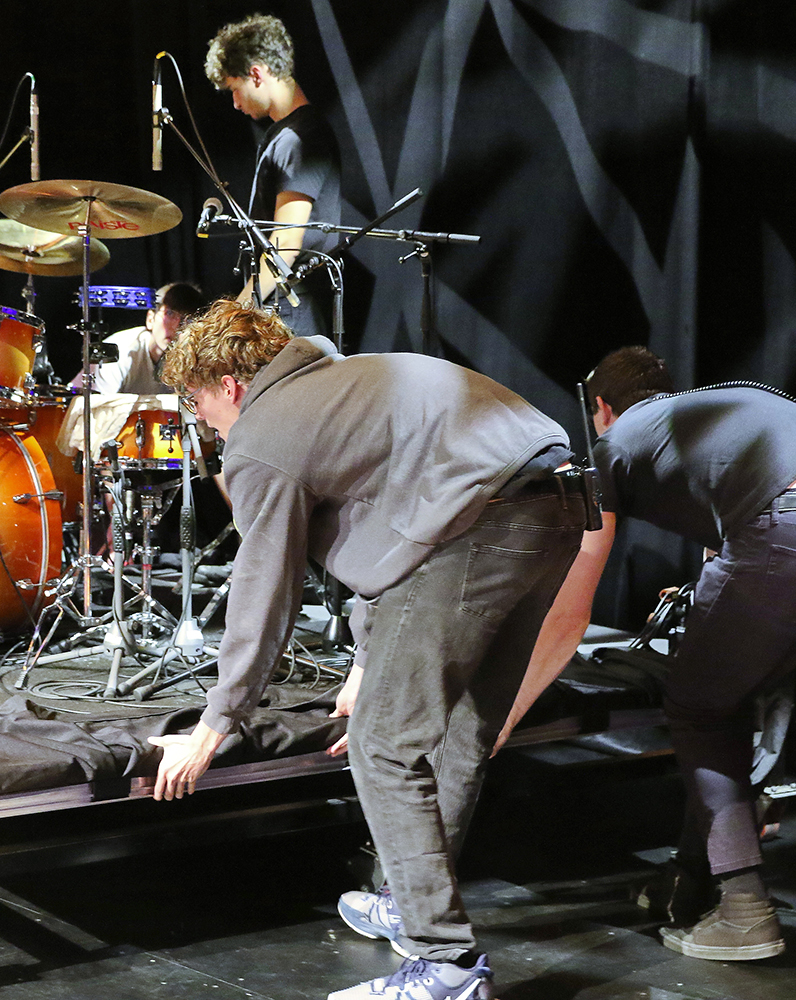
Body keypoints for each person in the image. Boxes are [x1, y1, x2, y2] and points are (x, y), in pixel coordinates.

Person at [150, 302, 585, 1000]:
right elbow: (392, 531)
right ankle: (404, 900)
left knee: (383, 744)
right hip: (560, 503)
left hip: (481, 523)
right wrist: (363, 660)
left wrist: (216, 724)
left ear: (231, 383)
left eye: (196, 398)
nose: (199, 416)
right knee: (464, 730)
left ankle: (443, 964)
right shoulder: (345, 380)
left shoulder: (261, 433)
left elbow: (266, 589)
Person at [499, 346, 796, 961]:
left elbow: (571, 611)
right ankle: (688, 882)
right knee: (739, 694)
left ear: (600, 408)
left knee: (701, 708)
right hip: (772, 524)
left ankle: (744, 911)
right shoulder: (717, 411)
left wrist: (505, 712)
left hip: (781, 525)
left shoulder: (610, 450)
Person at [206, 15, 342, 340]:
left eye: (234, 90)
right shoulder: (283, 136)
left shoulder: (300, 139)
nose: (235, 103)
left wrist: (231, 319)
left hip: (294, 313)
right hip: (284, 309)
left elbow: (284, 249)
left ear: (256, 74)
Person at [72, 283, 207, 394]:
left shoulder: (196, 358)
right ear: (150, 319)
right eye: (169, 313)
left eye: (186, 319)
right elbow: (99, 411)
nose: (177, 326)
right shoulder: (118, 351)